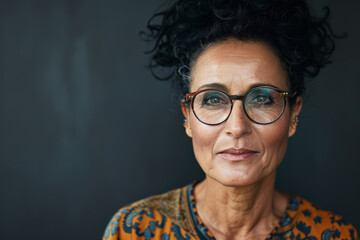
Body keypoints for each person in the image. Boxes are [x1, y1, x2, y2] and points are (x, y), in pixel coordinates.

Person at [103, 0, 359, 239]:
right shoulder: (135, 230)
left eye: (262, 99)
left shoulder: (334, 234)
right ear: (188, 116)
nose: (237, 127)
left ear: (293, 113)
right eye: (213, 99)